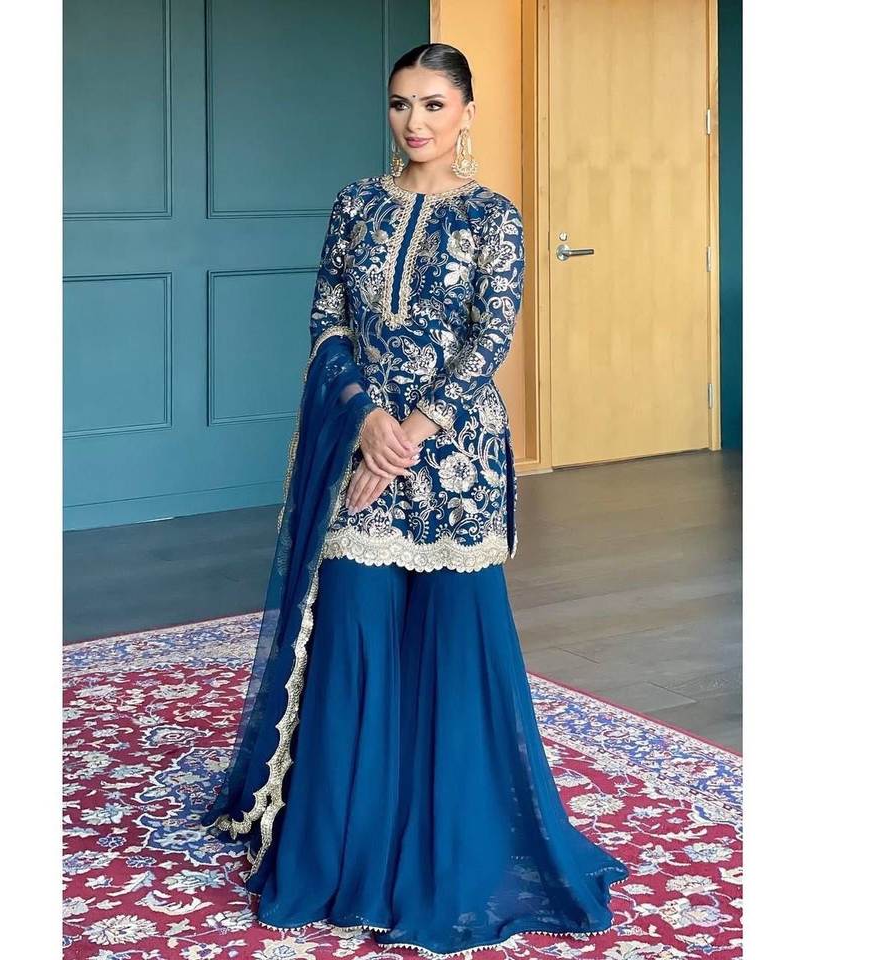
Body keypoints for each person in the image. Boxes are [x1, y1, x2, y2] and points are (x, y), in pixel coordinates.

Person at [200, 42, 630, 959]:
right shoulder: (355, 205)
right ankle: (346, 854)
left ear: (466, 111)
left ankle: (455, 843)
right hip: (361, 456)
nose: (416, 122)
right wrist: (366, 421)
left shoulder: (493, 217)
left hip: (455, 461)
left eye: (435, 104)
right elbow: (326, 321)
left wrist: (412, 432)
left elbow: (490, 337)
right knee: (353, 641)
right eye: (401, 104)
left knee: (455, 651)